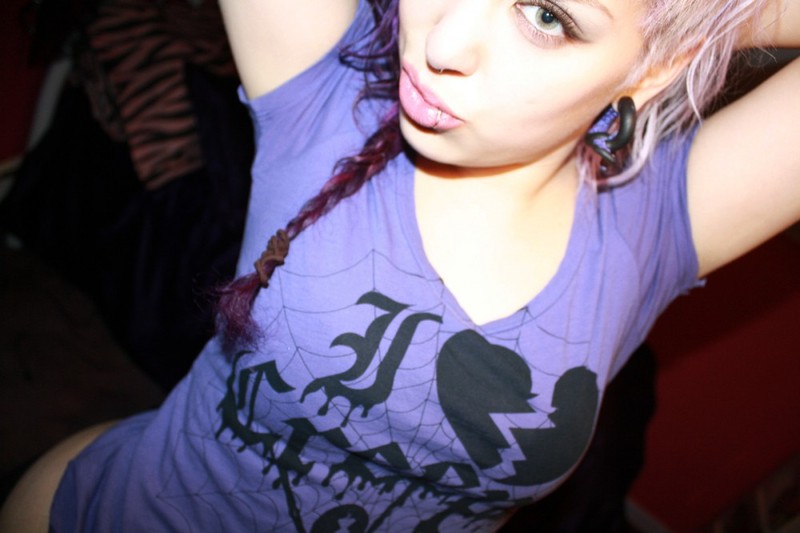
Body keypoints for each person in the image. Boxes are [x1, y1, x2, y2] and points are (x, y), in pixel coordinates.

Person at [2, 0, 799, 531]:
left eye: (546, 15)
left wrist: (687, 14)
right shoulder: (324, 87)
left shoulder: (657, 221)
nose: (441, 43)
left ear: (656, 67)